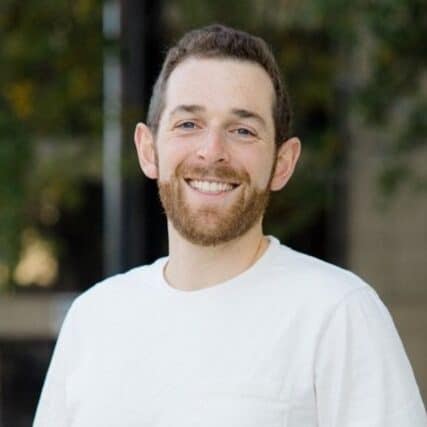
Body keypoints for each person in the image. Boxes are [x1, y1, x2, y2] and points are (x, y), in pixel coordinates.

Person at [33, 24, 427, 427]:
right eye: (188, 124)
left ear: (283, 163)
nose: (212, 152)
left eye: (242, 130)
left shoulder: (337, 313)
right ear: (148, 150)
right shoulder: (93, 320)